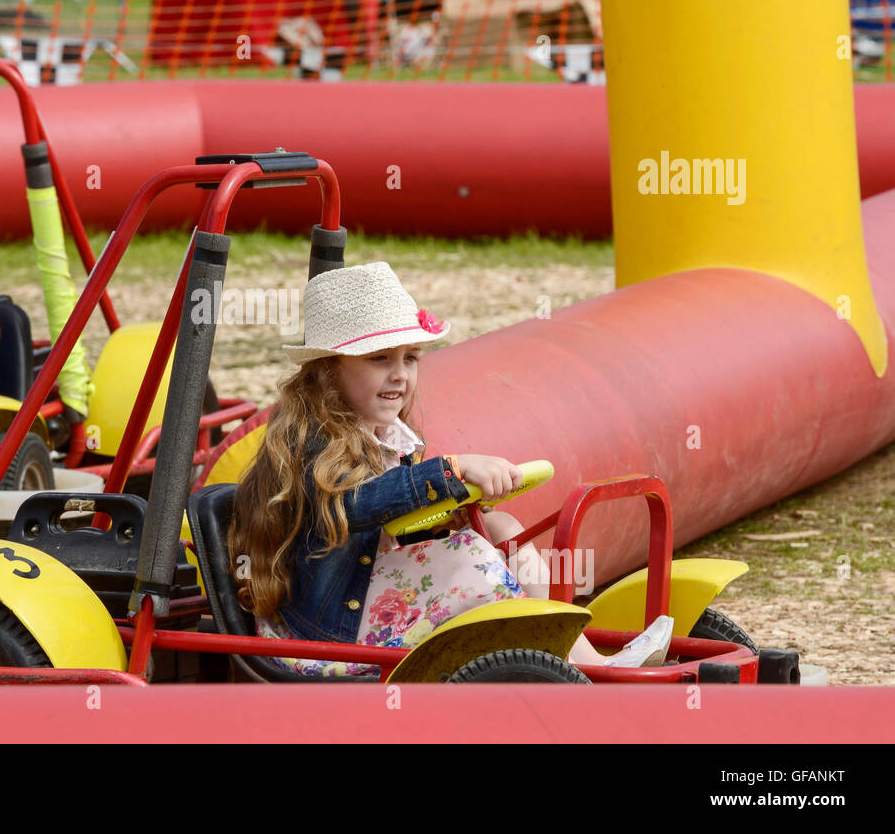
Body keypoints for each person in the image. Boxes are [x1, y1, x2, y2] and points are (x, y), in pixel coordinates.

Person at [229, 261, 673, 676]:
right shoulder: (311, 440)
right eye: (380, 359)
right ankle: (566, 664)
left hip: (368, 589)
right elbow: (356, 504)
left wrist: (445, 515)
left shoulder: (387, 435)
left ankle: (576, 656)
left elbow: (392, 528)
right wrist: (450, 471)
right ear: (328, 371)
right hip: (329, 622)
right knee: (469, 556)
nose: (400, 375)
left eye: (410, 358)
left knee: (500, 526)